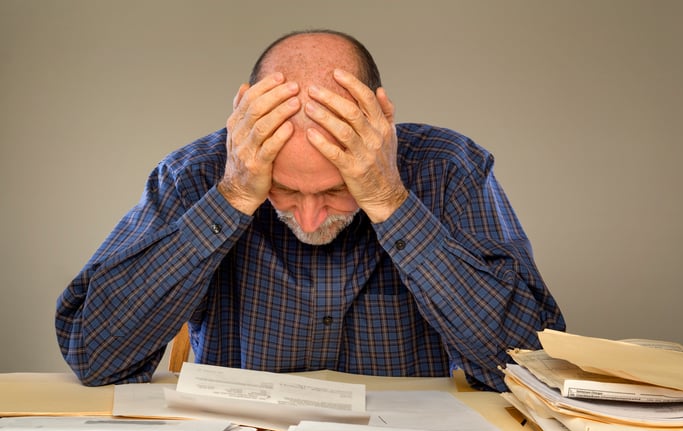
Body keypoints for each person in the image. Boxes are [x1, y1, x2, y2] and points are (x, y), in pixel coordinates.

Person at [56, 29, 565, 392]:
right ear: (242, 120)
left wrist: (388, 199)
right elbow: (95, 355)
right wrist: (232, 196)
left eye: (335, 192)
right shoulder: (197, 173)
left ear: (379, 125)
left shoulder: (448, 169)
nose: (308, 220)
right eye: (282, 190)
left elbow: (526, 363)